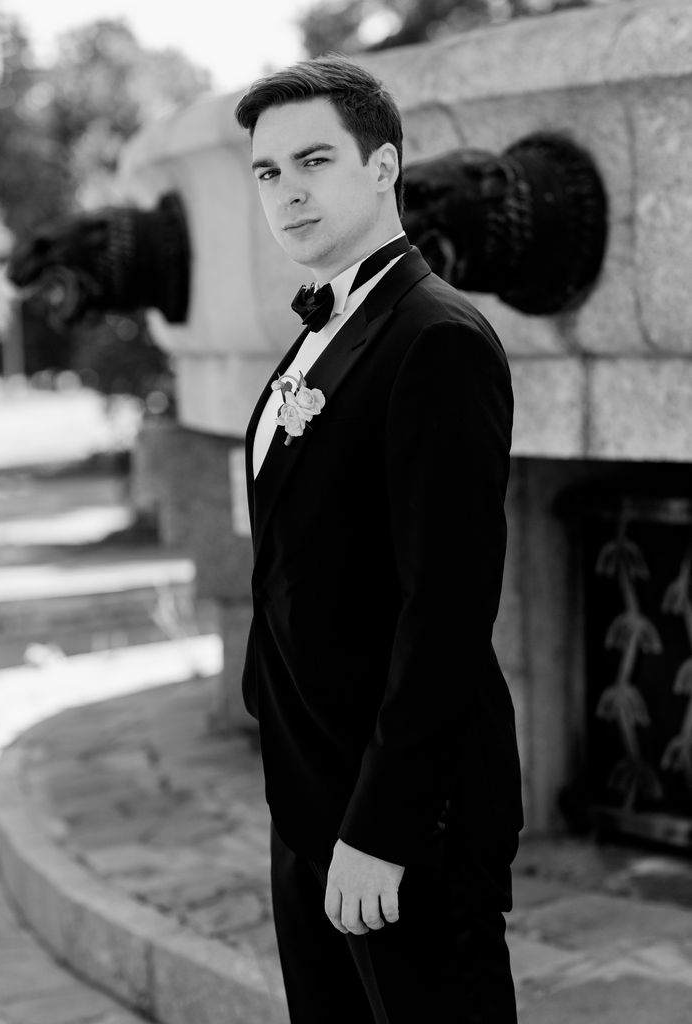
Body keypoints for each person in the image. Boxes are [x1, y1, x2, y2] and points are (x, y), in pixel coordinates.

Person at [234, 55, 523, 1024]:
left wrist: (381, 828)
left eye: (313, 160)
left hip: (400, 817)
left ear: (382, 165)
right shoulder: (318, 330)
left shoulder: (435, 337)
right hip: (307, 795)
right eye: (268, 171)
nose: (287, 191)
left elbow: (447, 609)